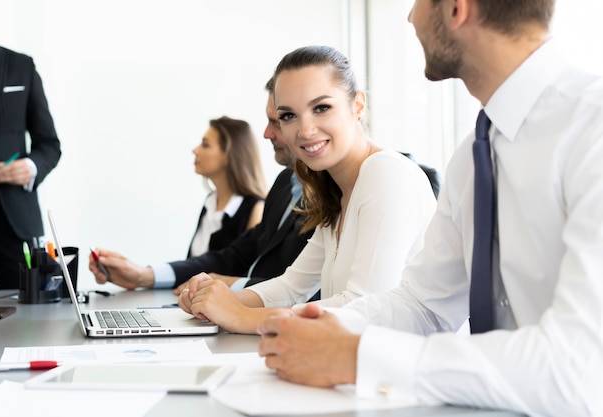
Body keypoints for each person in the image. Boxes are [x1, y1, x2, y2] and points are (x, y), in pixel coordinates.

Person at [256, 1, 602, 416]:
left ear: (457, 9)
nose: (409, 18)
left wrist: (359, 356)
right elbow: (424, 306)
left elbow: (580, 369)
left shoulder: (591, 131)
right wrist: (318, 327)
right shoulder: (474, 156)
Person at [178, 45, 437, 334]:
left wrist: (240, 316)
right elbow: (292, 287)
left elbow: (363, 306)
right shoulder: (334, 188)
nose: (305, 130)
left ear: (358, 106)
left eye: (321, 108)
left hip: (396, 370)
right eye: (288, 116)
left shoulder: (386, 173)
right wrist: (214, 302)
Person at [89, 79, 314, 293]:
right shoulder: (284, 184)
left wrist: (229, 284)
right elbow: (231, 257)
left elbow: (304, 290)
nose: (266, 133)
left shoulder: (330, 197)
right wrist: (144, 275)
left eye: (278, 120)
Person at [0, 0, 61, 290]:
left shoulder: (21, 66)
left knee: (33, 323)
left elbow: (49, 144)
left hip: (18, 227)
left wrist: (31, 166)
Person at [187, 116, 266, 258]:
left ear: (228, 155)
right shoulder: (210, 202)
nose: (195, 150)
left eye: (205, 145)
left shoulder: (256, 209)